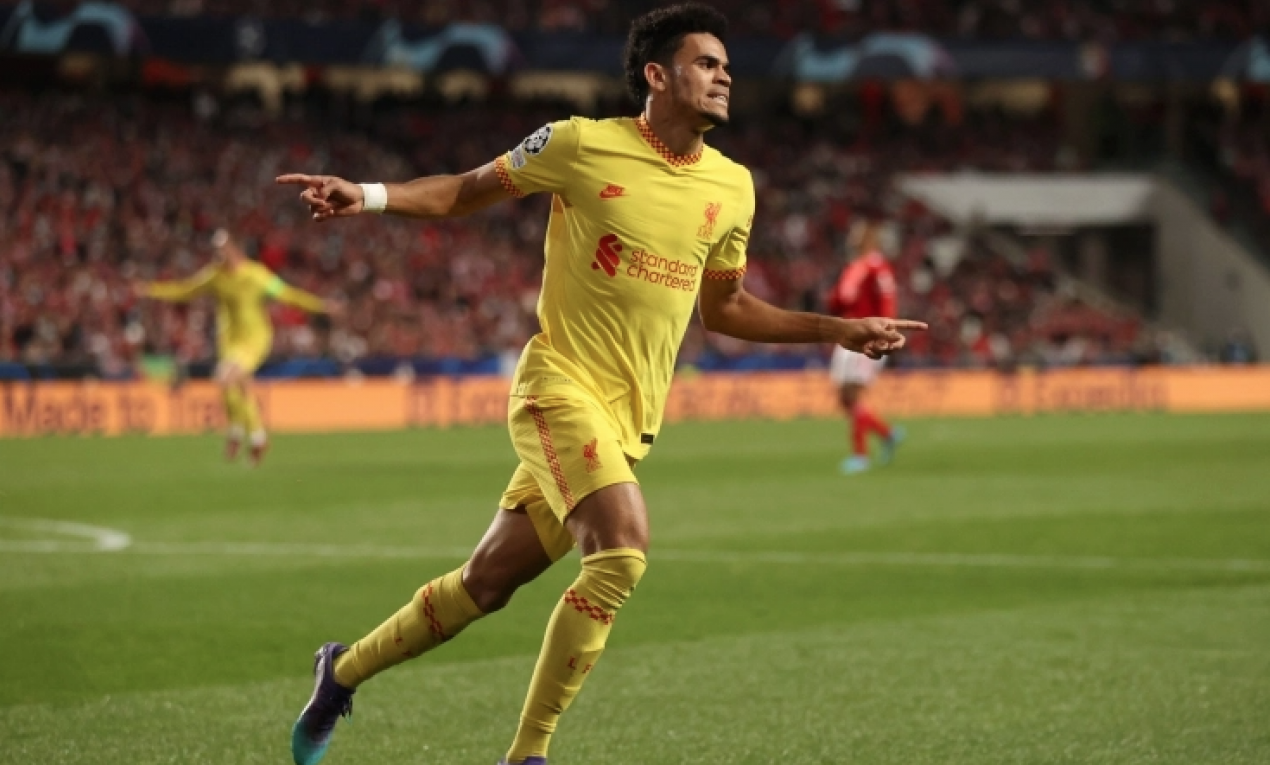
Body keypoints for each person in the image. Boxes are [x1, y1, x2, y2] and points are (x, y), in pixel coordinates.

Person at [276, 5, 926, 764]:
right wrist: (368, 194)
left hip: (625, 422)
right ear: (658, 75)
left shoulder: (733, 187)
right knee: (621, 552)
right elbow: (463, 191)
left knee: (484, 585)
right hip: (557, 387)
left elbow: (724, 309)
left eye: (726, 65)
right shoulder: (579, 143)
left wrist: (838, 329)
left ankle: (341, 670)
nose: (724, 76)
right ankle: (528, 754)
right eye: (706, 63)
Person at [136, 228, 342, 465]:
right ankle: (243, 434)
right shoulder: (215, 276)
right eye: (216, 250)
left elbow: (288, 295)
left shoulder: (256, 275)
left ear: (234, 249)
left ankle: (253, 435)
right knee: (232, 386)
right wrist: (151, 290)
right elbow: (186, 290)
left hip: (255, 339)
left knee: (226, 378)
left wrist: (321, 306)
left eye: (222, 249)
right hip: (230, 341)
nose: (218, 254)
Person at [827, 219, 905, 475]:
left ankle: (860, 455)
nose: (852, 236)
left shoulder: (878, 267)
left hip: (867, 338)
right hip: (847, 334)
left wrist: (885, 334)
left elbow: (887, 300)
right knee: (844, 398)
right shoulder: (854, 267)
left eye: (857, 233)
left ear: (869, 238)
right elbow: (839, 301)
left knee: (854, 394)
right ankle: (887, 433)